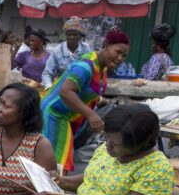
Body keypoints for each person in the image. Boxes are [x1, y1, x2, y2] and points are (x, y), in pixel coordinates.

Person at [52, 102, 175, 195]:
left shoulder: (156, 169)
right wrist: (61, 182)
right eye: (106, 138)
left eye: (114, 144)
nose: (107, 145)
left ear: (140, 144)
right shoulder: (109, 150)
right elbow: (94, 177)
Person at [40, 29, 131, 171]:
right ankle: (48, 191)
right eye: (118, 52)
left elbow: (86, 91)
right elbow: (66, 91)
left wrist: (101, 101)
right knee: (57, 162)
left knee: (60, 161)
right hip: (55, 113)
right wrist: (91, 114)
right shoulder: (86, 66)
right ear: (106, 46)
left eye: (124, 55)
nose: (120, 58)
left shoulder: (102, 69)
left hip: (68, 117)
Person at [41, 17, 93, 88]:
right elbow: (47, 73)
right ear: (65, 35)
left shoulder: (86, 49)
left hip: (81, 86)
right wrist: (48, 86)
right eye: (69, 34)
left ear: (80, 36)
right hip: (61, 87)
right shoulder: (57, 50)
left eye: (75, 35)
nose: (71, 37)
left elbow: (92, 69)